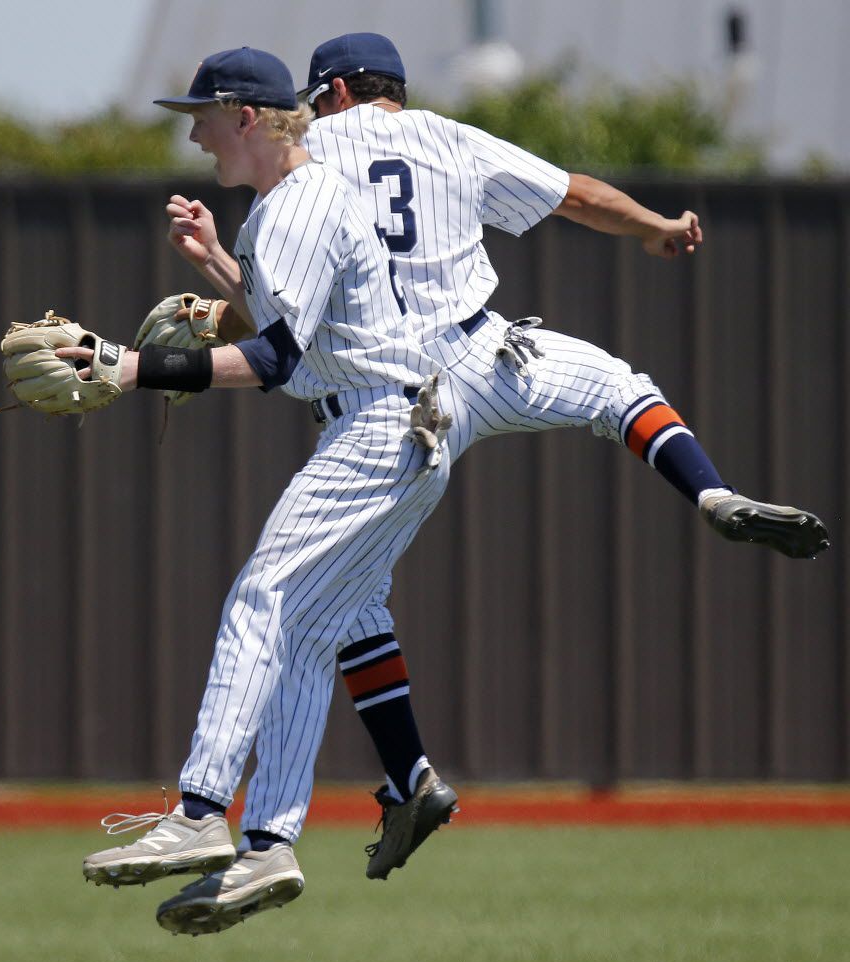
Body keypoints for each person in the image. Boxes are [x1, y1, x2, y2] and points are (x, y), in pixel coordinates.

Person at [176, 31, 832, 905]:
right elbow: (578, 195)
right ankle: (707, 487)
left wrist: (214, 274)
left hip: (390, 399)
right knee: (620, 390)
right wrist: (657, 228)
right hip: (491, 353)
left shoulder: (304, 158)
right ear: (393, 91)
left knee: (340, 598)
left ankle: (394, 778)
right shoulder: (447, 136)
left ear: (326, 94)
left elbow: (276, 320)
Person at [73, 46, 455, 935]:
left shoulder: (294, 205)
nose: (196, 134)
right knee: (310, 628)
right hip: (408, 431)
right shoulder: (304, 199)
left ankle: (200, 812)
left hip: (374, 426)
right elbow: (300, 325)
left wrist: (134, 368)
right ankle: (270, 841)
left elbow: (279, 361)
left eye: (202, 115)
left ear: (247, 117)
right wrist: (215, 261)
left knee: (262, 598)